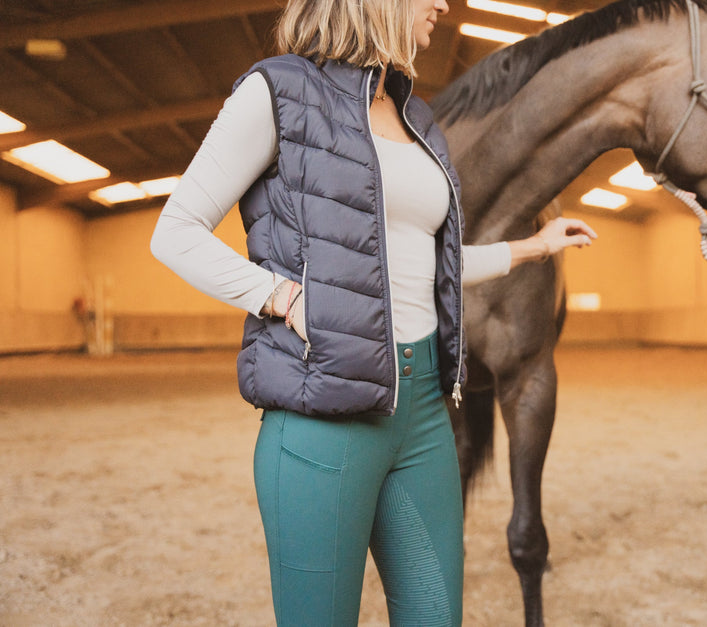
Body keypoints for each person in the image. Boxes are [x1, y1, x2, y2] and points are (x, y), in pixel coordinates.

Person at [150, 0, 596, 624]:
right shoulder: (278, 91)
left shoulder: (415, 117)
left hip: (422, 420)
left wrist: (532, 248)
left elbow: (426, 262)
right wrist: (278, 295)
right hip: (321, 422)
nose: (443, 4)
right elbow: (175, 231)